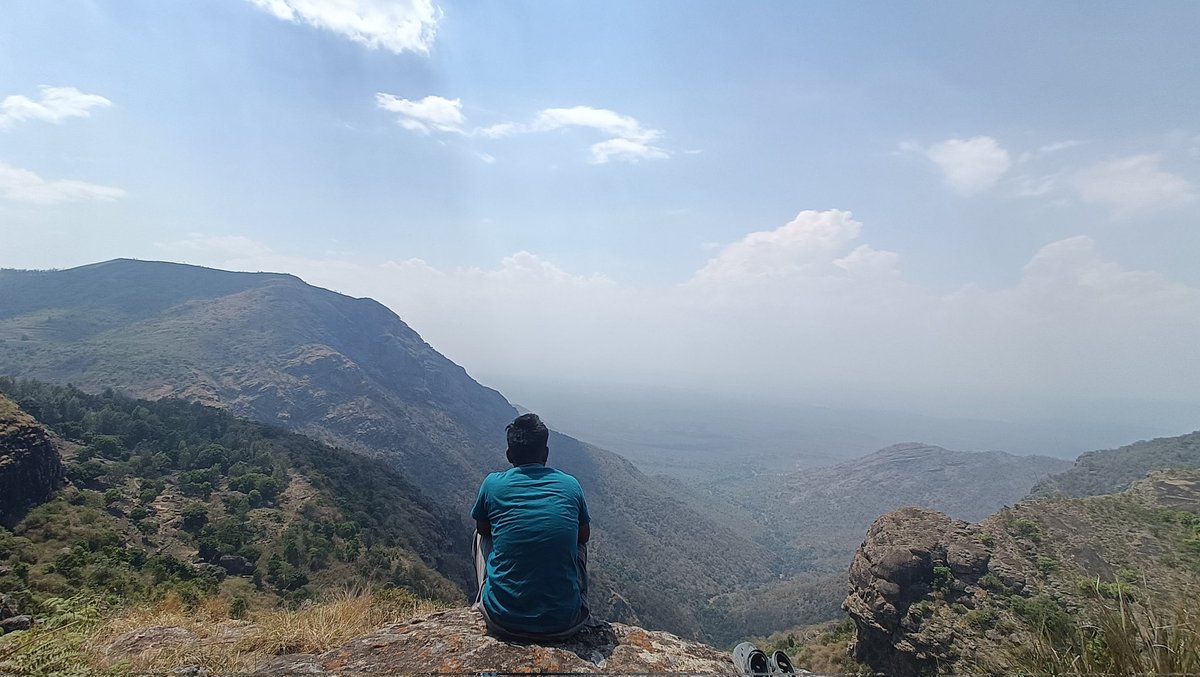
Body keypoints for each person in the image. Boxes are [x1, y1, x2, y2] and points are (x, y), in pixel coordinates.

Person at [471, 413, 593, 640]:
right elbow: (584, 536)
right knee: (579, 540)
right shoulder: (570, 485)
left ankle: (483, 598)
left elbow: (484, 530)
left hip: (502, 619)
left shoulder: (492, 484)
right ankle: (577, 599)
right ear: (545, 453)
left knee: (481, 534)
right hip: (565, 622)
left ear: (509, 455)